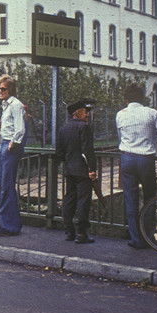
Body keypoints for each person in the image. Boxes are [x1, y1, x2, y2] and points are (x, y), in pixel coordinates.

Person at [116, 85, 157, 248]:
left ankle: (135, 238)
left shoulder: (120, 115)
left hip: (127, 158)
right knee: (149, 198)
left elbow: (120, 137)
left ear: (126, 99)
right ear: (142, 98)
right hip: (145, 159)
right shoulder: (151, 113)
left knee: (130, 199)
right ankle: (148, 236)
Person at [57, 98, 97, 244]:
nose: (87, 115)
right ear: (78, 113)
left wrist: (67, 164)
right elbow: (87, 150)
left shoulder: (63, 128)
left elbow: (59, 152)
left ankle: (69, 231)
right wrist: (92, 169)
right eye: (85, 112)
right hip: (82, 171)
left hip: (69, 169)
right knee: (83, 201)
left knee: (69, 200)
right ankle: (82, 233)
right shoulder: (84, 127)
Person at [0, 75, 26, 237]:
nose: (0, 91)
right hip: (4, 144)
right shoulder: (6, 105)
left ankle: (9, 226)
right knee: (1, 185)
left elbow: (20, 129)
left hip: (9, 146)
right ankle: (8, 223)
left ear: (10, 90)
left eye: (3, 89)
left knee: (6, 185)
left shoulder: (16, 105)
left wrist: (12, 144)